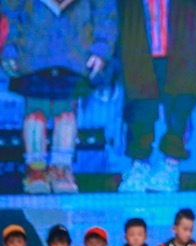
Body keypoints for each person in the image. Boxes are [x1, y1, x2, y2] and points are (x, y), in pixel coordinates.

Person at [0, 0, 117, 193]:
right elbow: (9, 11)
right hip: (32, 53)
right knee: (35, 112)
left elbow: (105, 12)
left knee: (66, 112)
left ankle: (61, 167)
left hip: (75, 53)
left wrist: (101, 49)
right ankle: (35, 168)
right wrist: (9, 48)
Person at [117, 0, 196, 193]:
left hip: (184, 44)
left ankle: (170, 164)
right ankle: (139, 165)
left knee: (179, 110)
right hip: (140, 44)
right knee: (140, 109)